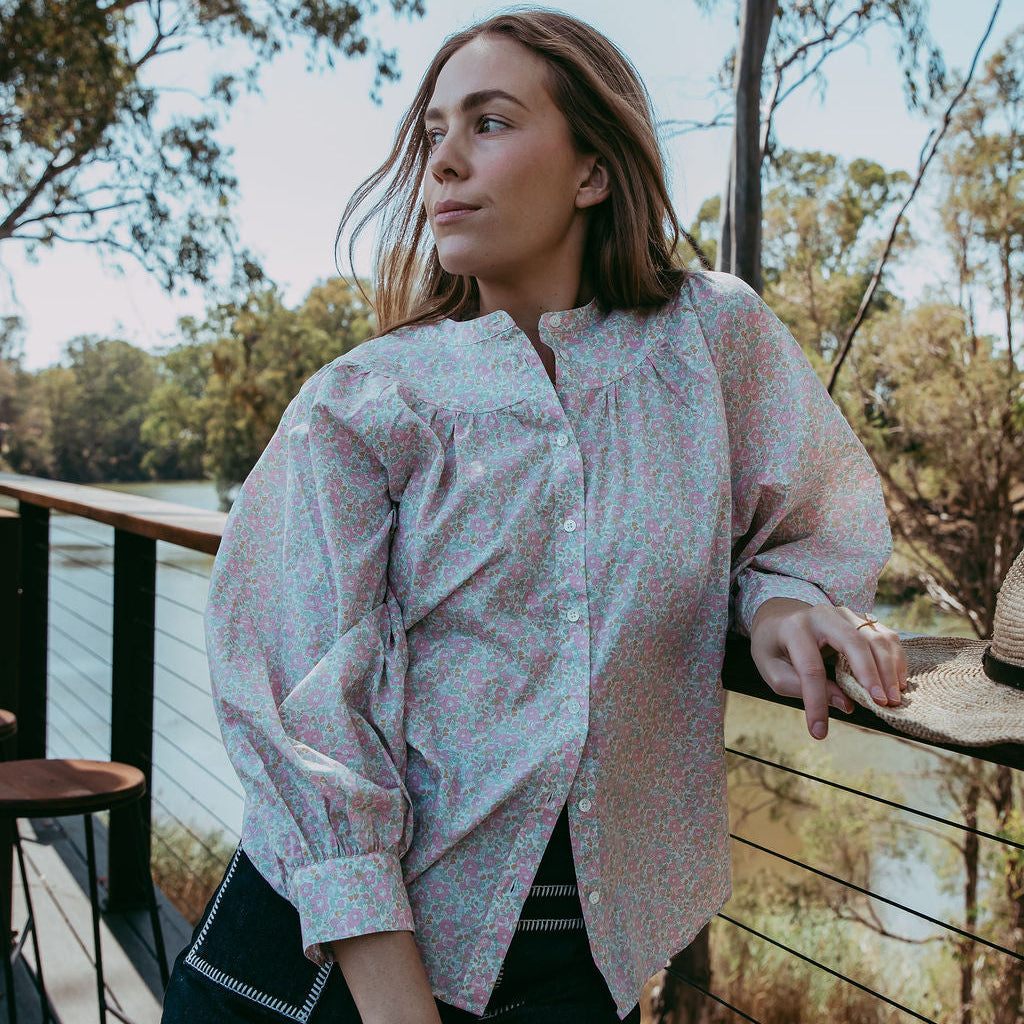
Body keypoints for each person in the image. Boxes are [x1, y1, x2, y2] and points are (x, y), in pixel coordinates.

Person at [161, 9, 907, 1023]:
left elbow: (802, 521)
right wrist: (397, 1007)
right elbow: (304, 709)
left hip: (580, 958)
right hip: (326, 967)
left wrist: (778, 601)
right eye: (432, 133)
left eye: (490, 123)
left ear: (592, 171)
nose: (444, 163)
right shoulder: (361, 401)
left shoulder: (709, 340)